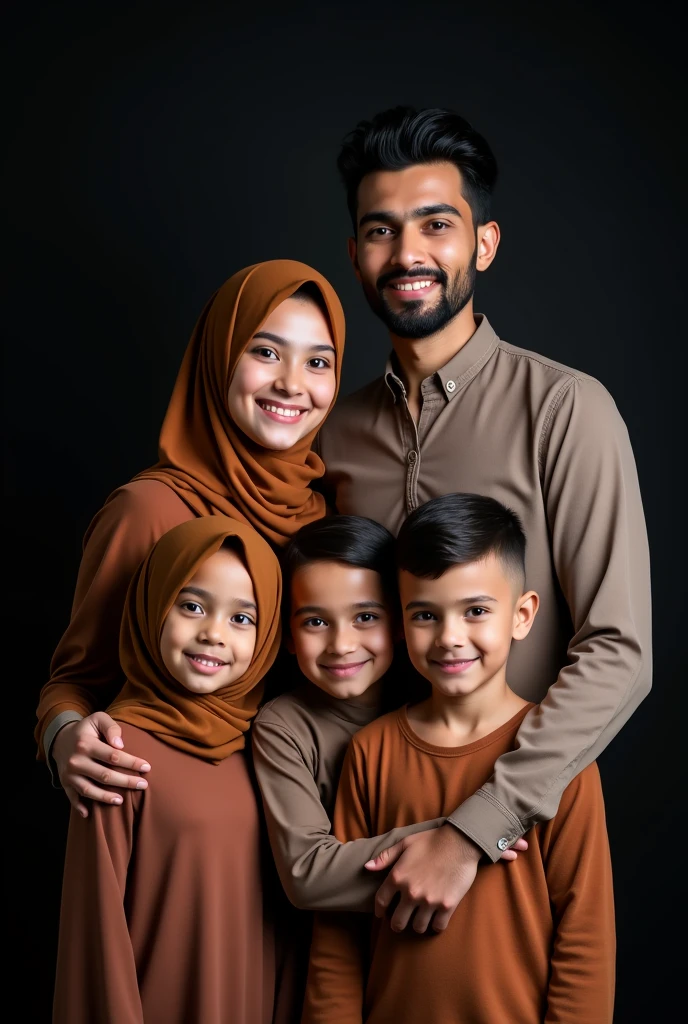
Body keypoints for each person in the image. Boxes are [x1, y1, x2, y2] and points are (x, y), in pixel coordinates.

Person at [315, 105, 651, 927]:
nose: (408, 255)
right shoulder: (330, 433)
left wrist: (474, 830)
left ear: (485, 244)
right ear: (356, 259)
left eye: (437, 224)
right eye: (380, 231)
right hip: (354, 830)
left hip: (517, 846)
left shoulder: (568, 410)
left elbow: (619, 652)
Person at [36, 259, 345, 817]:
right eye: (266, 351)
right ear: (219, 356)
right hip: (186, 826)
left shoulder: (327, 523)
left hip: (311, 838)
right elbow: (74, 682)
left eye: (317, 362)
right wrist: (64, 738)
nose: (291, 384)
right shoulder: (150, 510)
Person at [303, 494, 616, 1024]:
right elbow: (339, 941)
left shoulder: (558, 760)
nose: (450, 638)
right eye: (426, 614)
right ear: (401, 624)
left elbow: (584, 940)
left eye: (475, 611)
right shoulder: (370, 752)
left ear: (522, 615)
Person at [52, 515, 283, 1024]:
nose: (213, 634)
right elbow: (96, 947)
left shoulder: (271, 750)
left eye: (242, 618)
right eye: (192, 605)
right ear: (153, 604)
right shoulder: (115, 752)